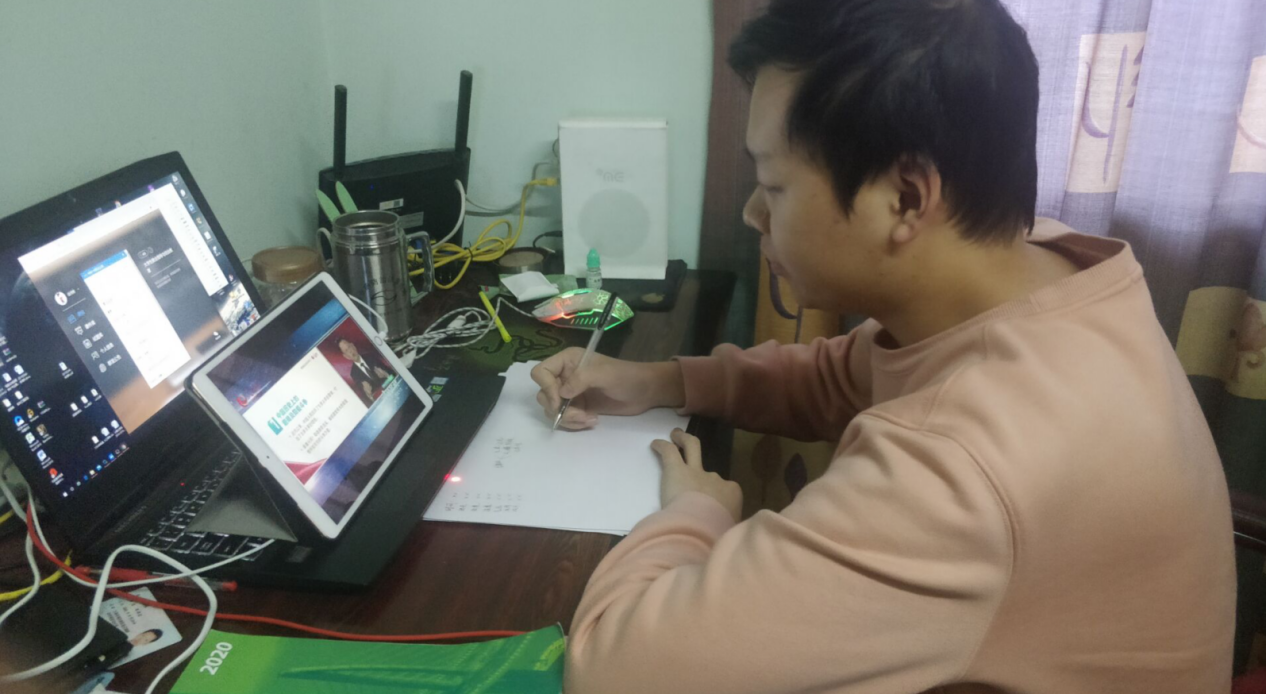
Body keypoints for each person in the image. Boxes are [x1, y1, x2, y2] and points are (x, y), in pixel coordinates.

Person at [532, 0, 1235, 691]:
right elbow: (847, 373)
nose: (752, 213)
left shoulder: (960, 472)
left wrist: (697, 513)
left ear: (906, 198)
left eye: (773, 186)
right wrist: (658, 381)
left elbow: (612, 670)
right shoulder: (1042, 269)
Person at [337, 337, 390, 406]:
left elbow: (393, 374)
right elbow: (368, 399)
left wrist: (387, 375)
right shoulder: (354, 374)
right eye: (346, 350)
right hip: (381, 402)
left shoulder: (371, 356)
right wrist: (369, 395)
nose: (350, 351)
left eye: (349, 347)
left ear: (353, 346)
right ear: (346, 356)